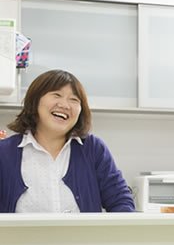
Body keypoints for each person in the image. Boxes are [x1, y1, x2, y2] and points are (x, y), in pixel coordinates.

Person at [0, 69, 135, 213]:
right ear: (35, 101)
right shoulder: (4, 152)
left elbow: (120, 201)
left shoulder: (93, 149)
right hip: (20, 236)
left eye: (74, 100)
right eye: (57, 95)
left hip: (83, 236)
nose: (65, 105)